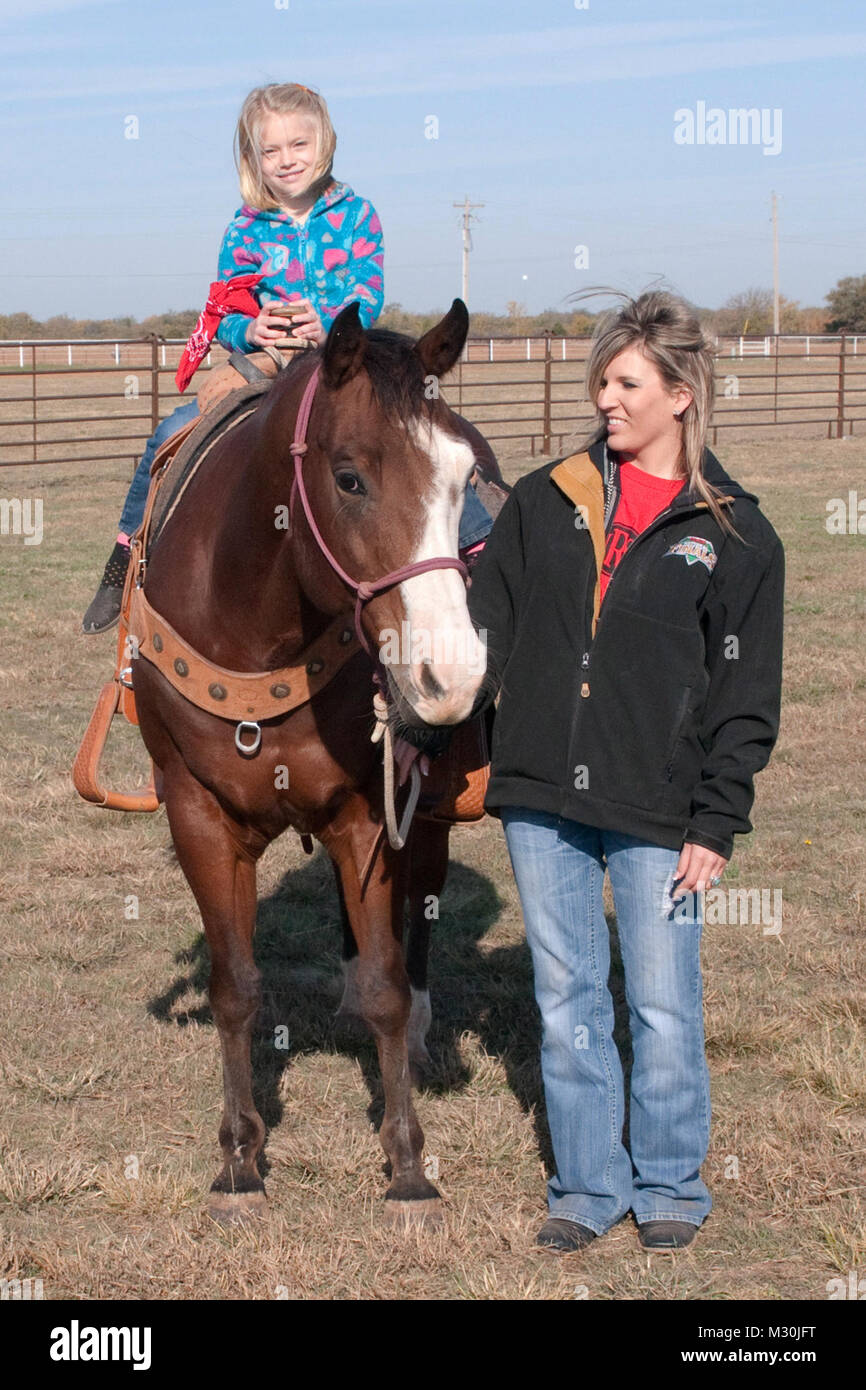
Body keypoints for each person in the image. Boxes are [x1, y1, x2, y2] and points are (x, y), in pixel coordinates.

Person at [467, 291, 785, 1253]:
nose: (606, 398)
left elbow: (746, 701)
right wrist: (423, 706)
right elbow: (486, 632)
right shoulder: (543, 500)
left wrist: (714, 823)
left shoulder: (736, 535)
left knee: (660, 1002)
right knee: (565, 1001)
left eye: (627, 382)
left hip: (660, 806)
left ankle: (673, 1186)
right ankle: (587, 1187)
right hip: (538, 793)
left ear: (681, 395)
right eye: (602, 380)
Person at [83, 82, 492, 632]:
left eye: (298, 144)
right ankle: (125, 557)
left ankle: (478, 541)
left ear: (322, 141)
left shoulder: (357, 215)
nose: (286, 160)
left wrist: (331, 325)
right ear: (253, 157)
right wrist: (250, 326)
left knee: (420, 433)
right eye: (270, 150)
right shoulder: (244, 225)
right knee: (172, 430)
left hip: (340, 359)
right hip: (270, 361)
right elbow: (223, 306)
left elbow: (367, 292)